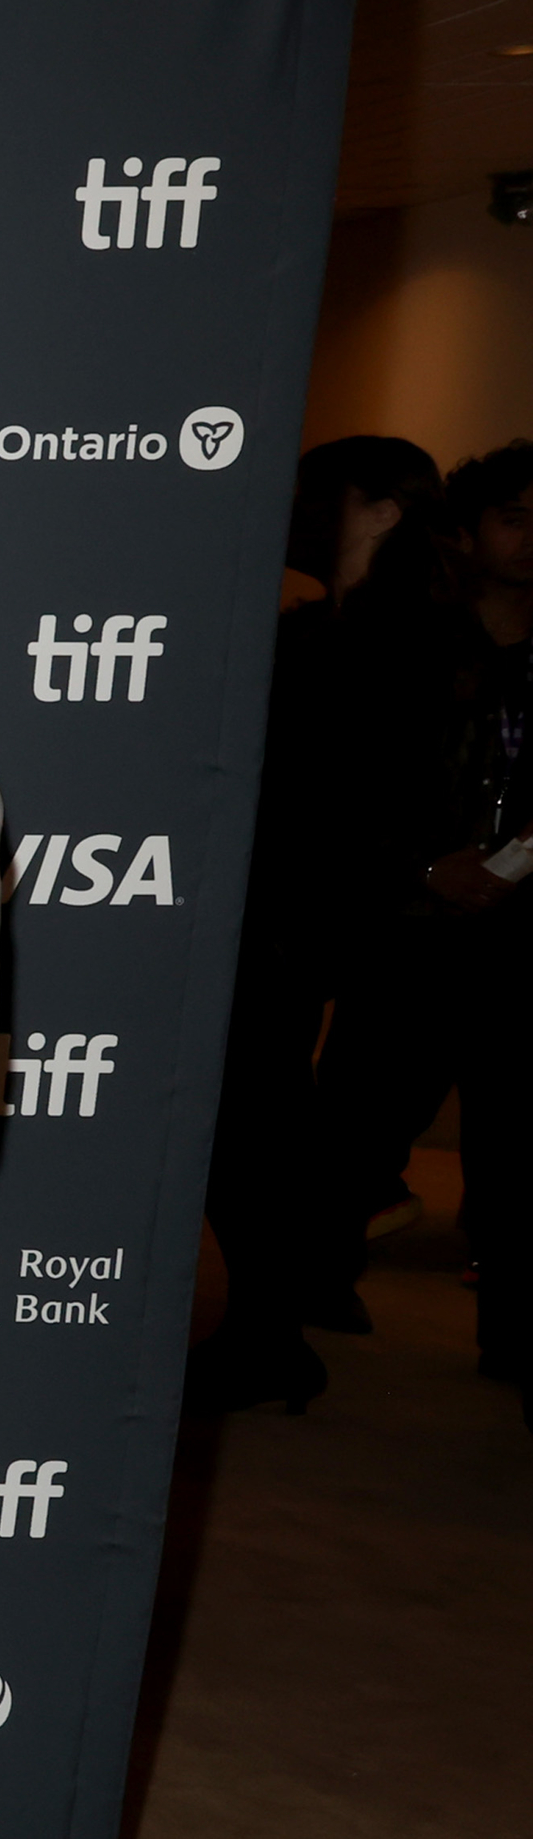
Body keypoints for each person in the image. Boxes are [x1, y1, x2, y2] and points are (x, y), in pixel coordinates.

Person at [187, 435, 446, 1414]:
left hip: (320, 929)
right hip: (274, 918)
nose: (291, 510)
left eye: (314, 495)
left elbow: (377, 803)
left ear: (380, 509)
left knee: (270, 1132)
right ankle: (259, 1327)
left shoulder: (409, 644)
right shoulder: (309, 630)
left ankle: (261, 1333)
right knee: (255, 1128)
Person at [305, 441, 531, 1414]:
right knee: (354, 1120)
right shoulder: (408, 642)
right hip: (405, 920)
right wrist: (424, 866)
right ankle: (302, 1288)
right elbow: (350, 785)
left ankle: (517, 1340)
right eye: (514, 516)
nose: (531, 539)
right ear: (467, 531)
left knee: (519, 1142)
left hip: (520, 932)